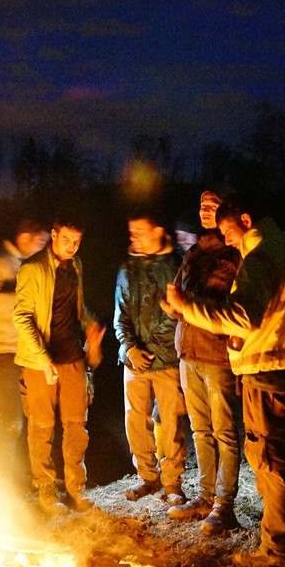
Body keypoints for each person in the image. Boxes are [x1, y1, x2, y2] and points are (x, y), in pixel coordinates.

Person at [166, 197, 285, 567]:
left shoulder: (259, 258)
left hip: (266, 370)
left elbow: (241, 316)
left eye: (229, 232)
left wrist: (187, 306)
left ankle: (276, 550)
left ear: (245, 220)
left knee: (269, 460)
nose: (228, 242)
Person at [13, 216, 104, 516]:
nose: (73, 247)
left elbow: (75, 309)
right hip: (40, 361)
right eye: (67, 240)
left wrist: (90, 325)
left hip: (72, 357)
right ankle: (47, 489)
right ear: (53, 235)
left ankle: (76, 487)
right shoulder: (32, 269)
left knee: (76, 425)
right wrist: (42, 357)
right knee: (41, 426)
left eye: (77, 241)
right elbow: (22, 316)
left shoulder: (75, 266)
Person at [166, 190, 244, 535]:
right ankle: (205, 496)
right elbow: (180, 299)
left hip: (216, 353)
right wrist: (173, 306)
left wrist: (185, 302)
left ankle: (224, 506)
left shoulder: (233, 254)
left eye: (213, 206)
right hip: (189, 351)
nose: (205, 211)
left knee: (224, 430)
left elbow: (216, 301)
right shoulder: (194, 253)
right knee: (200, 429)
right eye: (201, 206)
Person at [114, 211, 186, 506]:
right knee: (135, 421)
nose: (134, 237)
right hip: (134, 362)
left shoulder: (175, 266)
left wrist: (153, 349)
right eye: (132, 232)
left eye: (140, 231)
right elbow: (120, 314)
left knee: (170, 423)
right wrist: (130, 348)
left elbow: (176, 314)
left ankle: (172, 484)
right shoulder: (127, 268)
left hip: (166, 359)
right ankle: (148, 477)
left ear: (158, 231)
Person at [0, 219, 48, 446]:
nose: (43, 247)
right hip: (5, 352)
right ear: (25, 237)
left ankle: (25, 472)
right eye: (41, 241)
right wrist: (26, 299)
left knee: (32, 418)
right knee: (8, 420)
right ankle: (0, 475)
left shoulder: (29, 263)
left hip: (29, 353)